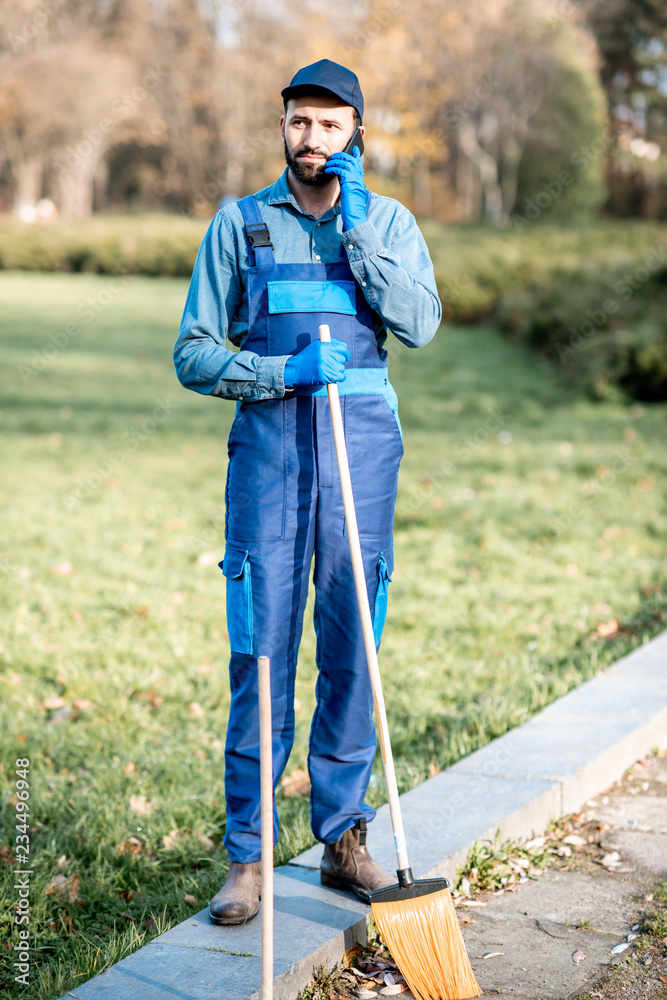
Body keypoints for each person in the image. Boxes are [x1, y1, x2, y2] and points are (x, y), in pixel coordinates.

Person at [174, 58, 441, 925]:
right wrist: (278, 370)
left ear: (356, 131)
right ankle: (249, 858)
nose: (312, 137)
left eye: (330, 124)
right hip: (269, 455)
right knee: (260, 652)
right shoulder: (240, 224)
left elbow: (419, 323)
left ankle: (343, 838)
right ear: (282, 126)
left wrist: (359, 232)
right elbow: (193, 351)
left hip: (361, 452)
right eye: (299, 121)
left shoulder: (390, 221)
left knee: (352, 641)